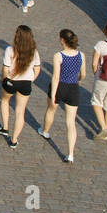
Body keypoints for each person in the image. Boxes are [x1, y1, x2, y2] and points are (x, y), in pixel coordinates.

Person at [38, 29, 86, 163]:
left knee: (51, 110)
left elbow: (55, 77)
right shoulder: (81, 55)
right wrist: (79, 80)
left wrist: (53, 93)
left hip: (60, 87)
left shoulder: (58, 55)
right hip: (73, 88)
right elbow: (84, 74)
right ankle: (70, 153)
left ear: (62, 40)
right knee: (71, 122)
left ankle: (45, 131)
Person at [0, 25, 41, 149]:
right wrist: (31, 80)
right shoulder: (34, 52)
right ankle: (14, 140)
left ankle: (5, 127)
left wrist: (4, 79)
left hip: (11, 81)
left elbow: (5, 68)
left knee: (5, 101)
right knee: (20, 112)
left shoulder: (10, 50)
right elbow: (37, 69)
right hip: (26, 83)